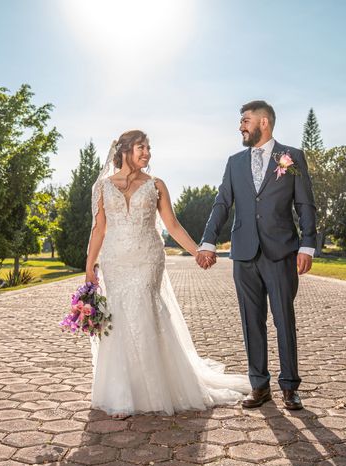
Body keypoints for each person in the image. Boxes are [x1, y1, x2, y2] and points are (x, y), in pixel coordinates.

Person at [85, 130, 250, 419]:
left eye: (148, 148)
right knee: (119, 316)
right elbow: (99, 229)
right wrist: (89, 267)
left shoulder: (156, 185)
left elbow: (172, 225)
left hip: (147, 257)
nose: (147, 153)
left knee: (144, 309)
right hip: (114, 260)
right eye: (141, 147)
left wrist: (198, 251)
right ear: (124, 150)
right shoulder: (102, 187)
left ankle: (154, 389)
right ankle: (123, 393)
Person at [196, 100, 317, 411]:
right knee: (252, 321)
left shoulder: (292, 157)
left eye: (246, 121)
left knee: (284, 319)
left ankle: (290, 387)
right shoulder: (234, 162)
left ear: (264, 122)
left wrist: (307, 245)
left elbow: (304, 205)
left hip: (282, 252)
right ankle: (259, 386)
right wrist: (208, 241)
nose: (241, 126)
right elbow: (221, 203)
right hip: (244, 253)